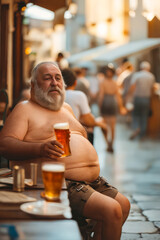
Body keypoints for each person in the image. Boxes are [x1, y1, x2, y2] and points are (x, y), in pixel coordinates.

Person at [0, 62, 130, 240]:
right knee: (111, 209)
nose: (54, 82)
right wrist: (40, 147)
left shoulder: (66, 108)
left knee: (123, 204)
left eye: (58, 78)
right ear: (33, 85)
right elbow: (5, 145)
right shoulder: (25, 109)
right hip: (61, 182)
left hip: (91, 180)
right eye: (47, 78)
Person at [98, 64, 126, 153]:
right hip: (112, 102)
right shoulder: (115, 83)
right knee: (112, 126)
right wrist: (121, 107)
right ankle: (111, 144)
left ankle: (108, 144)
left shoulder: (103, 82)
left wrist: (99, 106)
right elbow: (118, 96)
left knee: (105, 125)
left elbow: (101, 95)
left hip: (106, 102)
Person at [129, 61, 155, 140]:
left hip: (137, 98)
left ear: (141, 67)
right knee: (144, 117)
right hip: (146, 99)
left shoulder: (137, 75)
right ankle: (142, 135)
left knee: (136, 115)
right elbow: (152, 89)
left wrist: (130, 97)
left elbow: (132, 87)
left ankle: (136, 128)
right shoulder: (151, 76)